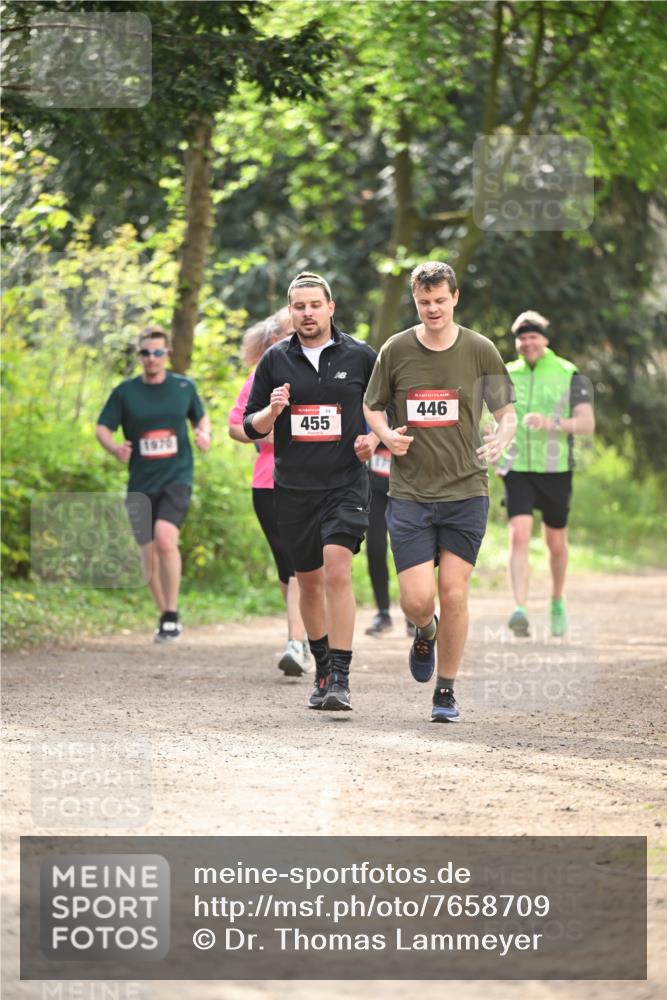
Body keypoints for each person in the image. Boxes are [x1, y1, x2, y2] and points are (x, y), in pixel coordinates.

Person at [364, 261, 516, 723]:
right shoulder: (396, 349)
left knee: (453, 593)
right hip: (409, 492)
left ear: (455, 298)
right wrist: (386, 436)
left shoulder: (479, 349)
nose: (432, 308)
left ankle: (445, 692)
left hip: (466, 490)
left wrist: (502, 437)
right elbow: (371, 406)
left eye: (439, 300)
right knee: (416, 601)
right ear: (416, 301)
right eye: (423, 302)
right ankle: (423, 631)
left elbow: (507, 410)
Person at [243, 271, 378, 711]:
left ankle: (340, 675)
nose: (307, 313)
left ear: (330, 307)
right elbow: (248, 425)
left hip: (345, 483)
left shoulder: (360, 356)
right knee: (309, 582)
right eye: (298, 307)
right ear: (290, 312)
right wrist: (272, 410)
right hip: (294, 488)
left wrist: (373, 440)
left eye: (314, 305)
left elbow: (385, 409)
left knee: (338, 570)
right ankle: (321, 666)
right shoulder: (275, 361)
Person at [96, 325, 211, 642]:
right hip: (141, 482)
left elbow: (200, 417)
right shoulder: (125, 391)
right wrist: (114, 448)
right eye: (146, 353)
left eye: (158, 352)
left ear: (168, 354)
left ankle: (172, 612)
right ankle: (165, 615)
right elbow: (103, 428)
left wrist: (204, 434)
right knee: (147, 556)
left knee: (164, 539)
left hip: (177, 477)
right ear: (140, 356)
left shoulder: (184, 387)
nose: (152, 358)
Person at [497, 310, 595, 638]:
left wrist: (551, 423)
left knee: (555, 541)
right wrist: (495, 445)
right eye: (522, 338)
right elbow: (496, 418)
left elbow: (586, 423)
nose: (527, 343)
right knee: (519, 533)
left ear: (545, 339)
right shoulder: (508, 373)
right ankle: (520, 608)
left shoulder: (568, 372)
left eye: (533, 337)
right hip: (518, 467)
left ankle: (556, 600)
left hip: (556, 469)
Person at [228, 308, 312, 676]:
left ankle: (297, 642)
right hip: (268, 482)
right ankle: (302, 635)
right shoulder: (261, 377)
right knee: (288, 567)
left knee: (299, 565)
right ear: (273, 342)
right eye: (288, 335)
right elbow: (235, 426)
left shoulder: (326, 371)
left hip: (315, 483)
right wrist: (269, 432)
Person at [365, 438, 416, 638]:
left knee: (408, 551)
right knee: (375, 549)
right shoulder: (368, 407)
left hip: (406, 488)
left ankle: (413, 615)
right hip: (375, 488)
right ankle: (383, 613)